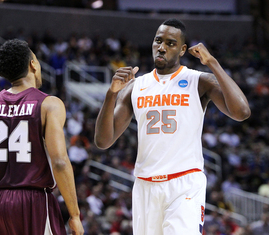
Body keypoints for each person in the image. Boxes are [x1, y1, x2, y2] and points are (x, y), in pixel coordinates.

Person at [94, 18, 250, 234]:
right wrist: (111, 95)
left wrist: (212, 63)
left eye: (170, 43)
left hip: (184, 183)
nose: (162, 47)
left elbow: (242, 112)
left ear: (182, 49)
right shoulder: (134, 87)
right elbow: (103, 141)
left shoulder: (199, 80)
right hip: (145, 185)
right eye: (158, 41)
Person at [0, 39, 84, 235]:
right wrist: (74, 215)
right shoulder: (49, 104)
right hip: (34, 202)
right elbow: (59, 162)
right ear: (33, 64)